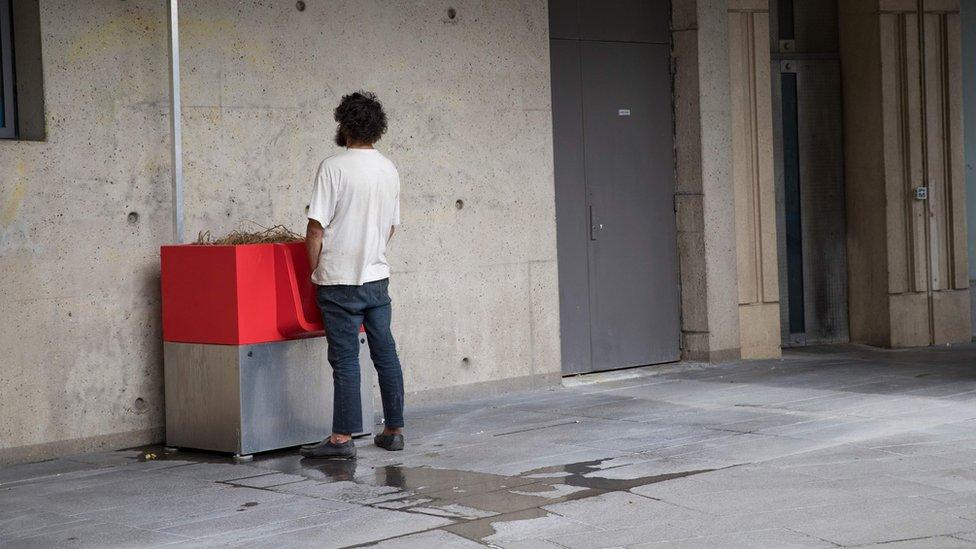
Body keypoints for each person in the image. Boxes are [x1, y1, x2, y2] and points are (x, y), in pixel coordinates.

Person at [301, 91, 404, 459]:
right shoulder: (388, 168)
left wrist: (314, 268)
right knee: (385, 353)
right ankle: (393, 430)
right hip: (377, 279)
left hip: (339, 280)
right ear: (378, 127)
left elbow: (316, 228)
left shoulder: (333, 166)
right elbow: (391, 226)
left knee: (345, 359)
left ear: (344, 124)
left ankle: (341, 439)